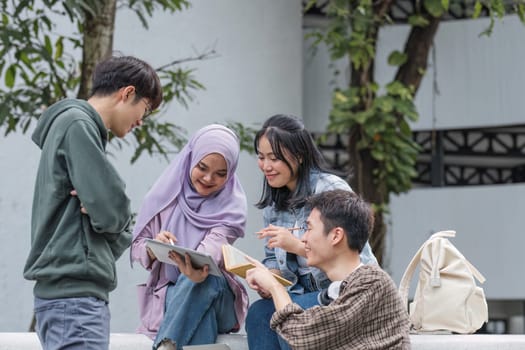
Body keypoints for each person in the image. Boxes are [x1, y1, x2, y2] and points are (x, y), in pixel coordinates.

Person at [23, 55, 163, 350]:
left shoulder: (76, 126)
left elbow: (110, 216)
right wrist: (116, 215)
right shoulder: (77, 123)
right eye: (145, 109)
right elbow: (114, 210)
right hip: (74, 299)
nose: (140, 121)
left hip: (69, 296)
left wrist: (111, 217)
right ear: (127, 93)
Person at [245, 114, 377, 350]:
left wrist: (296, 245)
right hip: (300, 292)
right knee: (258, 314)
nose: (266, 166)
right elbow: (273, 256)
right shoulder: (275, 204)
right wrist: (269, 278)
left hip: (341, 293)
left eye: (274, 158)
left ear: (299, 156)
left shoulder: (330, 190)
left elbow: (353, 255)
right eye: (261, 157)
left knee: (295, 319)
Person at [130, 124, 249, 350]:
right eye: (202, 167)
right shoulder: (163, 197)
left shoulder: (232, 208)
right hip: (171, 296)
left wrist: (193, 273)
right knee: (200, 313)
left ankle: (165, 346)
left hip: (219, 297)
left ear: (231, 173)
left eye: (220, 173)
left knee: (204, 279)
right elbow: (136, 246)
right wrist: (153, 247)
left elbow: (208, 255)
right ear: (190, 160)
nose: (208, 178)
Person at [246, 189, 411, 349]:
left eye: (308, 229)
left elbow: (299, 336)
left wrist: (274, 286)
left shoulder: (373, 282)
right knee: (261, 311)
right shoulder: (339, 290)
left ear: (336, 236)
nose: (303, 238)